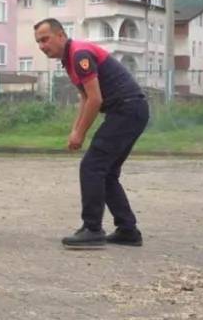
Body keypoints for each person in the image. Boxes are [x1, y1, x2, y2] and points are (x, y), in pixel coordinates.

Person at [34, 18, 149, 249]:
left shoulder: (79, 54)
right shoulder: (70, 59)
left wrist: (81, 134)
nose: (42, 46)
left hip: (126, 109)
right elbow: (85, 97)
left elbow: (96, 99)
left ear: (60, 35)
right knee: (105, 172)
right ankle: (128, 230)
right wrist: (75, 130)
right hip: (129, 110)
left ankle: (92, 229)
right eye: (38, 42)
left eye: (45, 39)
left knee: (92, 166)